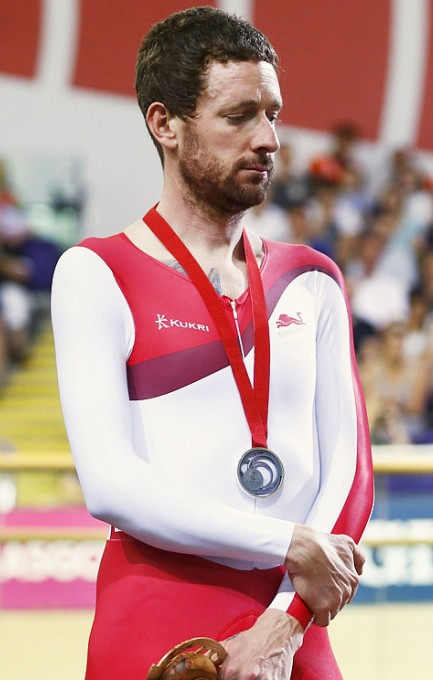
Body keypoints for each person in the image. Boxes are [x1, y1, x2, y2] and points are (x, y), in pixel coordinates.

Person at [50, 8, 373, 679]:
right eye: (239, 116)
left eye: (273, 114)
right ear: (165, 124)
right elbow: (109, 484)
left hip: (291, 621)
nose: (269, 140)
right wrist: (289, 543)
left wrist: (287, 620)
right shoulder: (97, 272)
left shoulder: (312, 279)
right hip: (156, 612)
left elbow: (350, 473)